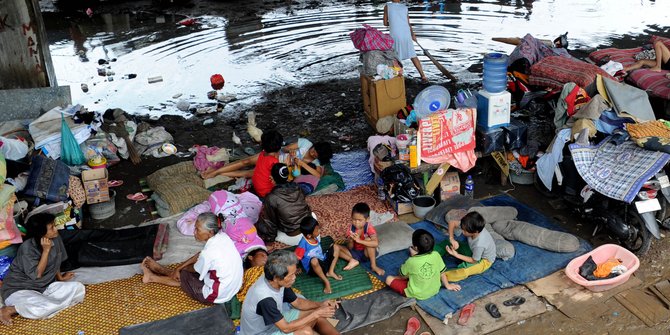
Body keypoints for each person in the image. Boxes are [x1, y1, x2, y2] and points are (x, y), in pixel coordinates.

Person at [0, 213, 85, 325]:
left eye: (54, 225)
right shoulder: (27, 248)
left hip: (45, 286)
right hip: (19, 289)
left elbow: (57, 260)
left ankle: (45, 302)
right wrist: (46, 250)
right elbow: (37, 275)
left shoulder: (55, 237)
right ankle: (9, 309)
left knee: (78, 288)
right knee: (42, 308)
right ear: (41, 233)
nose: (56, 229)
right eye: (51, 228)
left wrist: (60, 278)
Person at [141, 213, 243, 305]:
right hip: (231, 287)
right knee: (184, 270)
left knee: (185, 274)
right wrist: (178, 268)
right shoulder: (223, 237)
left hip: (215, 296)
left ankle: (152, 277)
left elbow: (194, 268)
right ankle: (167, 272)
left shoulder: (209, 253)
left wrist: (181, 269)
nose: (194, 232)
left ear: (210, 232)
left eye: (197, 229)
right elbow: (200, 254)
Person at [240, 250, 340, 335]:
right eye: (291, 275)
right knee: (306, 332)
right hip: (262, 333)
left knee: (317, 314)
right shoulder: (265, 299)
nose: (294, 278)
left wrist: (321, 305)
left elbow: (297, 302)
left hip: (275, 323)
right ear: (277, 278)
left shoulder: (277, 280)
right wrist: (316, 313)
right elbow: (285, 328)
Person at [385, 229, 461, 299]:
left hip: (417, 293)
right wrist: (448, 285)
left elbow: (402, 274)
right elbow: (442, 273)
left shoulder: (411, 261)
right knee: (412, 272)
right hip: (434, 289)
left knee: (389, 279)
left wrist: (412, 258)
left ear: (416, 248)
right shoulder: (436, 254)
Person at [256, 164, 312, 244]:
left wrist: (269, 240)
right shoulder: (297, 187)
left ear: (271, 178)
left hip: (293, 234)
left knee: (261, 221)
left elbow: (270, 223)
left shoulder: (271, 198)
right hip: (308, 227)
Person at [295, 217, 349, 294]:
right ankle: (326, 281)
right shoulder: (303, 244)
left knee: (336, 247)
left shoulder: (313, 236)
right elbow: (296, 257)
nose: (319, 231)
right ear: (309, 235)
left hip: (323, 261)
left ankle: (330, 272)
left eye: (318, 228)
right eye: (317, 230)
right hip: (313, 269)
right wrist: (296, 268)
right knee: (314, 260)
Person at [443, 212, 496, 282]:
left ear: (475, 232)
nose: (462, 232)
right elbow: (452, 223)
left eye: (465, 231)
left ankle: (442, 277)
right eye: (462, 229)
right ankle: (430, 252)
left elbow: (474, 260)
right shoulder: (470, 225)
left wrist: (456, 255)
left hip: (483, 261)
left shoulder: (479, 244)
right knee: (449, 243)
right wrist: (452, 239)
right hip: (472, 250)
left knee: (464, 271)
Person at [384, 0, 428, 83]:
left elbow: (385, 23)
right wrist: (413, 35)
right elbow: (408, 23)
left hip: (395, 34)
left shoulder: (387, 6)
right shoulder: (404, 7)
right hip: (406, 33)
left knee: (396, 57)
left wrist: (394, 23)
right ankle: (423, 76)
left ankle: (399, 77)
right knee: (413, 55)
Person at [347, 203, 385, 276]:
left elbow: (375, 243)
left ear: (367, 219)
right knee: (336, 247)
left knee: (368, 240)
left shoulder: (368, 227)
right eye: (354, 219)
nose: (356, 222)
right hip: (356, 253)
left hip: (367, 253)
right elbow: (349, 247)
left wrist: (359, 240)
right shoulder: (351, 229)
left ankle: (373, 266)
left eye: (360, 220)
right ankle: (353, 260)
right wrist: (350, 240)